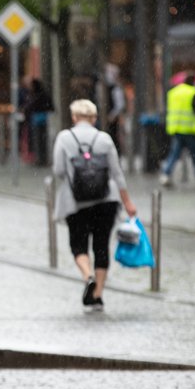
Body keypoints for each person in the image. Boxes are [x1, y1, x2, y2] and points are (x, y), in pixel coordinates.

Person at [53, 99, 138, 311]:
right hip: (106, 200)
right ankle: (98, 295)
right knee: (101, 246)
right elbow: (117, 174)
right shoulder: (105, 139)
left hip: (76, 200)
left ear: (74, 117)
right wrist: (127, 202)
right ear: (94, 118)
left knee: (78, 244)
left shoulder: (64, 138)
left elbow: (59, 171)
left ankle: (87, 275)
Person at [159, 73, 195, 187]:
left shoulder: (174, 92)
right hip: (189, 129)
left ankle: (165, 174)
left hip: (176, 128)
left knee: (174, 154)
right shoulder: (193, 93)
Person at [25, 79, 54, 166]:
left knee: (37, 140)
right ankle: (42, 159)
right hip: (42, 119)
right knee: (42, 140)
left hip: (37, 120)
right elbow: (51, 107)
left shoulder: (35, 96)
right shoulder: (43, 95)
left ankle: (40, 159)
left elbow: (30, 107)